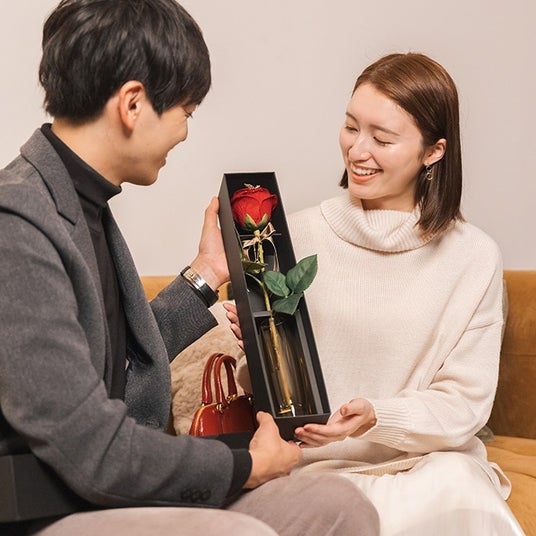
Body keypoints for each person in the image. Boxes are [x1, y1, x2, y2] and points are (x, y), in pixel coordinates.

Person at [0, 1, 381, 535]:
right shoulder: (17, 222)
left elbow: (119, 359)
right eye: (186, 111)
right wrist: (245, 465)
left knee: (337, 505)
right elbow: (88, 448)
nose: (184, 132)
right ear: (133, 103)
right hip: (49, 508)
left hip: (105, 491)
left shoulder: (82, 202)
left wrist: (207, 272)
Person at [226, 52, 524, 535]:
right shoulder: (283, 237)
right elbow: (271, 393)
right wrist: (256, 356)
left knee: (457, 490)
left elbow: (464, 403)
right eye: (350, 127)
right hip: (314, 472)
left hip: (428, 468)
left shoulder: (473, 256)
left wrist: (376, 417)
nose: (357, 150)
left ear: (433, 152)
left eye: (382, 139)